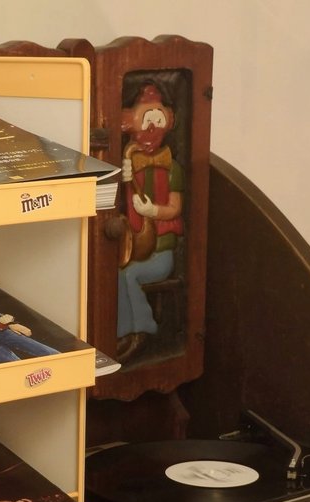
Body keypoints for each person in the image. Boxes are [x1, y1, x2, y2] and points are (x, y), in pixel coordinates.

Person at [115, 81, 185, 361]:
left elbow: (175, 208)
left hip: (160, 253)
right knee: (119, 273)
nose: (152, 127)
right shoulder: (131, 162)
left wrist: (153, 211)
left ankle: (141, 331)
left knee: (129, 275)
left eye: (157, 120)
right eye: (146, 120)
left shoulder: (172, 168)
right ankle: (123, 333)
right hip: (133, 248)